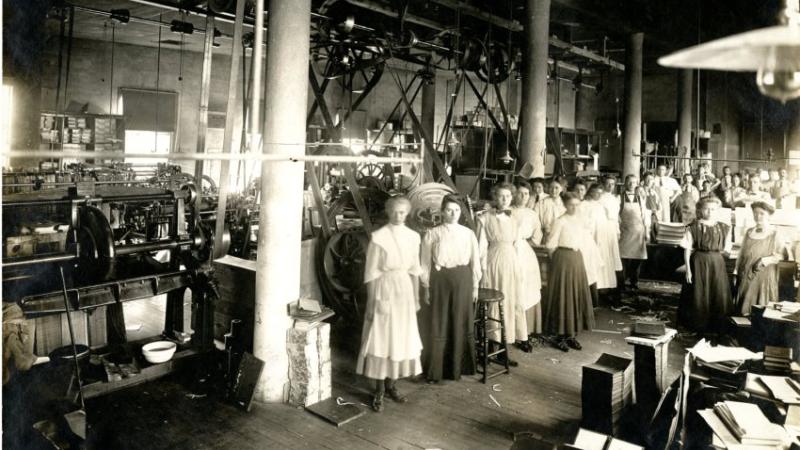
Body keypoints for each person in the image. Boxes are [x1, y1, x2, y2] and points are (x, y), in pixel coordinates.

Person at [357, 196, 423, 412]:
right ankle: (379, 390)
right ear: (388, 212)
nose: (398, 216)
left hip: (404, 289)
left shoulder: (414, 237)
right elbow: (371, 274)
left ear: (408, 213)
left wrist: (415, 298)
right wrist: (371, 303)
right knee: (382, 339)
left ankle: (392, 385)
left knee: (400, 338)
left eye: (402, 212)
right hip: (384, 288)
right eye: (394, 211)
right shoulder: (379, 237)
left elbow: (414, 270)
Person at [420, 195, 481, 383]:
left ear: (460, 212)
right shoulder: (432, 233)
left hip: (463, 279)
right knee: (439, 321)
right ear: (442, 211)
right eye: (449, 210)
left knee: (460, 320)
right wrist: (426, 288)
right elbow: (424, 264)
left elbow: (475, 262)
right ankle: (436, 371)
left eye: (456, 210)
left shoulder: (468, 234)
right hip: (440, 280)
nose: (453, 214)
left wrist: (475, 287)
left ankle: (458, 368)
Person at [477, 182, 525, 365]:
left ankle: (502, 349)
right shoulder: (484, 218)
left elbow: (518, 246)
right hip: (494, 262)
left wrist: (520, 269)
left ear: (512, 198)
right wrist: (482, 271)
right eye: (500, 196)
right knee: (494, 306)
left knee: (510, 303)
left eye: (508, 196)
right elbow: (481, 247)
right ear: (495, 198)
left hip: (511, 263)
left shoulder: (515, 219)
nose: (504, 200)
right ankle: (490, 348)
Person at [544, 192, 595, 352]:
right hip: (563, 260)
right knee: (563, 296)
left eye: (577, 204)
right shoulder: (560, 221)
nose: (574, 207)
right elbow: (550, 245)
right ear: (565, 205)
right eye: (571, 204)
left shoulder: (580, 221)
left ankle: (570, 335)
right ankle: (559, 336)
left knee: (575, 296)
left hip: (577, 259)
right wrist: (560, 262)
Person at [679, 197, 733, 334]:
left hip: (716, 262)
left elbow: (727, 249)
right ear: (700, 210)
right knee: (698, 291)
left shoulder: (724, 227)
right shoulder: (693, 227)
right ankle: (697, 324)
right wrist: (688, 271)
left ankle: (715, 325)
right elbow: (687, 249)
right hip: (698, 261)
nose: (710, 211)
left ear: (718, 211)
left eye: (713, 209)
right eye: (706, 208)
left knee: (717, 291)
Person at [735, 201, 786, 315]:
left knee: (761, 302)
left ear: (769, 215)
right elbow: (742, 253)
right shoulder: (749, 232)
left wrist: (764, 260)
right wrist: (737, 270)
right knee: (745, 302)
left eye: (762, 213)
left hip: (764, 273)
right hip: (747, 272)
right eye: (755, 213)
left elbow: (781, 255)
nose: (758, 216)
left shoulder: (775, 233)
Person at [513, 182, 544, 345]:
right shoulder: (508, 211)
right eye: (520, 193)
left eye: (526, 194)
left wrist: (525, 245)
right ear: (514, 195)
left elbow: (537, 235)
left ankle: (526, 330)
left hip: (525, 250)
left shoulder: (532, 214)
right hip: (509, 249)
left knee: (528, 287)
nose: (523, 196)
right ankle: (512, 330)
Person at [584, 184, 622, 296]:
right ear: (590, 192)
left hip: (602, 237)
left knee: (603, 262)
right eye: (596, 192)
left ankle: (602, 289)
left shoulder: (601, 206)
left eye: (600, 193)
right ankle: (592, 291)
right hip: (591, 237)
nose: (598, 195)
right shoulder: (585, 205)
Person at [619, 175, 650, 291]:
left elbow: (645, 216)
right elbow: (617, 216)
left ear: (637, 184)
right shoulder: (619, 198)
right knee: (623, 259)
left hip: (638, 232)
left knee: (637, 259)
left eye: (634, 182)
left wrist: (647, 232)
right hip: (625, 232)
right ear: (625, 183)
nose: (632, 184)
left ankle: (634, 282)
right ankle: (621, 283)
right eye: (629, 182)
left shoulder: (640, 198)